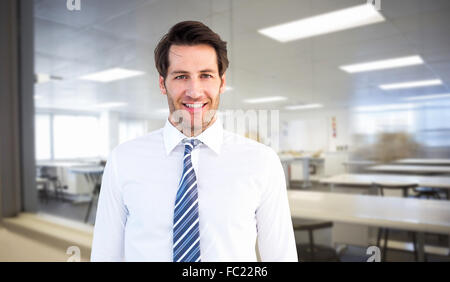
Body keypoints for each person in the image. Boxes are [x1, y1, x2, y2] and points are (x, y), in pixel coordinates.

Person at [91, 21, 297, 262]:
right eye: (180, 76)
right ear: (162, 83)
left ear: (222, 82)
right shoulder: (123, 159)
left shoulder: (262, 161)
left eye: (206, 75)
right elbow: (106, 254)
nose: (194, 91)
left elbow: (281, 256)